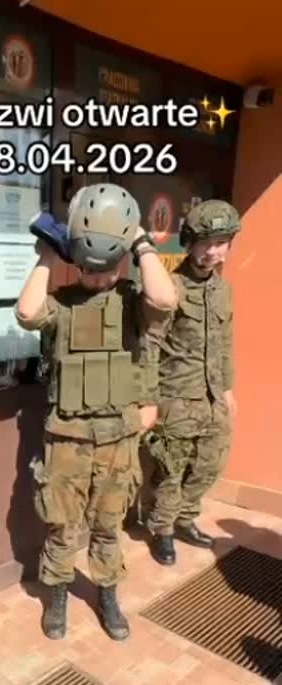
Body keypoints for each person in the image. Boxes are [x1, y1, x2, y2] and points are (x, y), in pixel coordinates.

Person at [16, 184, 177, 642]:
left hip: (116, 439)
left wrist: (139, 240)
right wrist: (48, 255)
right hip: (67, 438)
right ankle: (58, 595)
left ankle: (107, 594)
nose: (97, 277)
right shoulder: (62, 302)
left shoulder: (132, 301)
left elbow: (166, 300)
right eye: (87, 267)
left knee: (108, 526)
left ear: (121, 260)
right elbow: (27, 313)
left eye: (106, 268)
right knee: (61, 526)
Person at [144, 199, 241, 565]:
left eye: (220, 242)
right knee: (171, 470)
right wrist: (149, 400)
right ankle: (163, 529)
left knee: (211, 463)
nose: (212, 251)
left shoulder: (223, 290)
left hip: (213, 396)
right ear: (189, 242)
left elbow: (225, 342)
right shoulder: (170, 289)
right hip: (176, 397)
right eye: (204, 243)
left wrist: (227, 388)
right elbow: (149, 347)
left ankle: (184, 518)